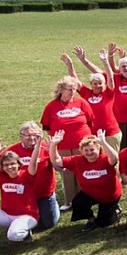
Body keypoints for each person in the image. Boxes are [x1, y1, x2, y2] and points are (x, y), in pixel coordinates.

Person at [0, 122, 60, 226]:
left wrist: (53, 153)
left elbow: (60, 168)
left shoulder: (46, 147)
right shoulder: (11, 150)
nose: (32, 138)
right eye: (28, 135)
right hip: (21, 196)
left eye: (36, 135)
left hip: (43, 194)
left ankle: (53, 200)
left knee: (49, 224)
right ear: (21, 136)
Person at [39, 75, 95, 209]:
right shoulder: (52, 106)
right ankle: (69, 200)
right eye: (69, 89)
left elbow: (90, 120)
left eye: (74, 89)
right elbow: (46, 126)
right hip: (62, 145)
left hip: (82, 144)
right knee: (67, 172)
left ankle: (86, 198)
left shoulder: (81, 103)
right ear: (61, 90)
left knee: (83, 169)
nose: (72, 92)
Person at [49, 130, 122, 231]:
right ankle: (91, 219)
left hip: (109, 196)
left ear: (98, 149)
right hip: (90, 194)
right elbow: (56, 160)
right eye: (86, 150)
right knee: (78, 203)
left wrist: (103, 142)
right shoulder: (77, 161)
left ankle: (114, 208)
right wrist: (54, 145)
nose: (89, 153)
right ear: (81, 151)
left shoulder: (105, 159)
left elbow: (114, 158)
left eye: (92, 150)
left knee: (104, 223)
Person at [0, 146, 42, 254]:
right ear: (1, 167)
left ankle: (25, 232)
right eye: (6, 165)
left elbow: (33, 162)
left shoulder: (27, 175)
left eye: (12, 164)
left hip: (27, 216)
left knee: (13, 235)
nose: (9, 167)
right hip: (6, 215)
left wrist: (37, 145)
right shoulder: (0, 175)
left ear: (18, 164)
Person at [64, 46, 121, 153]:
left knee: (112, 160)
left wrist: (105, 62)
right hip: (92, 133)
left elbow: (111, 78)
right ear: (91, 84)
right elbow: (75, 81)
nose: (98, 86)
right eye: (95, 83)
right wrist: (70, 65)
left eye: (100, 83)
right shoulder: (87, 93)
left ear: (104, 84)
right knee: (96, 159)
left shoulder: (108, 94)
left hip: (110, 133)